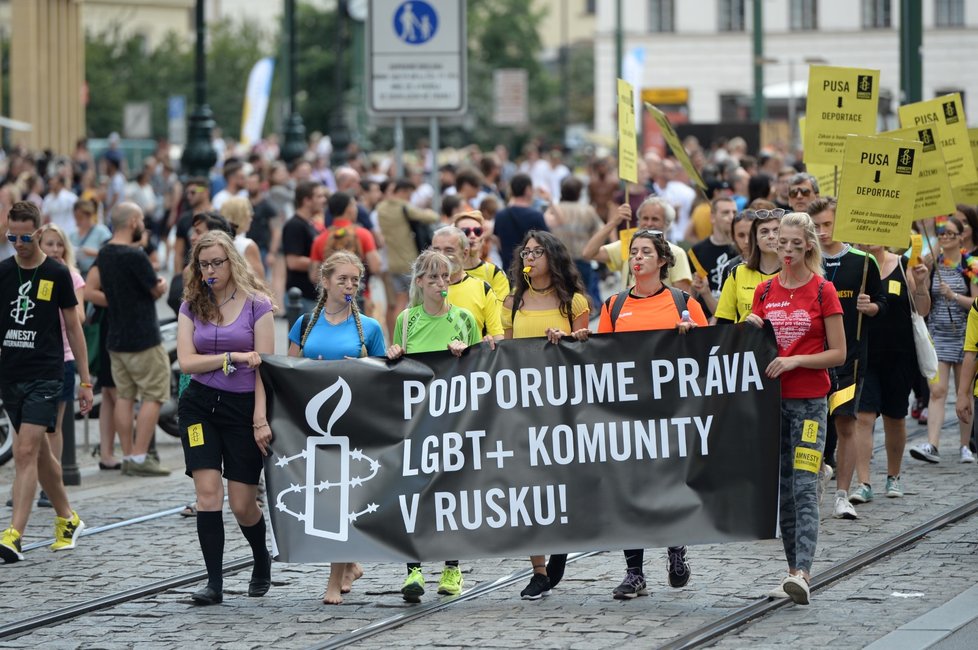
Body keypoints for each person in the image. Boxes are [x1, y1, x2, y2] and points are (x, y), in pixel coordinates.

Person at [588, 229, 707, 600]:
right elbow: (599, 357)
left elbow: (710, 359)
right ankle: (634, 572)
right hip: (627, 413)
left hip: (671, 411)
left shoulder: (684, 303)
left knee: (668, 486)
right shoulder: (614, 305)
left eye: (645, 253)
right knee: (629, 490)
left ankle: (675, 548)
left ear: (662, 261)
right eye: (633, 252)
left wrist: (690, 337)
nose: (637, 258)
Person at [745, 212, 846, 605]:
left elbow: (837, 353)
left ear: (808, 245)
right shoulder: (764, 290)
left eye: (794, 243)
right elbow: (753, 351)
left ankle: (803, 572)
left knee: (804, 485)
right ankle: (791, 572)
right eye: (780, 242)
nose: (786, 250)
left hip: (808, 403)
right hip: (772, 404)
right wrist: (749, 329)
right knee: (783, 489)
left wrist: (795, 361)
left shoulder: (823, 291)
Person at [176, 230, 275, 605]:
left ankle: (260, 557)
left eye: (217, 262)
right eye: (204, 265)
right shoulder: (192, 304)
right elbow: (187, 361)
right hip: (199, 405)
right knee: (207, 495)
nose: (211, 271)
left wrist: (260, 417)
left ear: (232, 262)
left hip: (242, 407)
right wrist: (230, 358)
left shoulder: (257, 305)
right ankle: (214, 583)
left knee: (242, 502)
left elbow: (265, 367)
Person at [288, 251, 386, 605]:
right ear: (325, 281)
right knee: (323, 501)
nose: (349, 286)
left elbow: (384, 373)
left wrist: (362, 364)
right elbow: (287, 371)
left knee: (340, 500)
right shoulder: (305, 324)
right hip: (312, 426)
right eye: (342, 279)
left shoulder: (369, 327)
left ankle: (333, 582)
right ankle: (350, 564)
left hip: (352, 426)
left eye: (355, 280)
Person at [386, 250, 485, 603]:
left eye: (445, 277)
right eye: (433, 278)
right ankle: (413, 569)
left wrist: (465, 353)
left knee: (449, 493)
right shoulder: (407, 320)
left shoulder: (464, 319)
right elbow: (398, 364)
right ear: (420, 283)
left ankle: (451, 567)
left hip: (453, 421)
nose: (441, 283)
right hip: (416, 421)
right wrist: (395, 355)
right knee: (412, 491)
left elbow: (480, 372)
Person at [0, 201, 92, 563]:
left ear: (38, 232)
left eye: (24, 237)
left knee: (24, 451)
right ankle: (67, 518)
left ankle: (13, 534)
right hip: (11, 375)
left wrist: (85, 382)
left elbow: (74, 327)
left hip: (47, 372)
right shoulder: (4, 272)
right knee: (38, 454)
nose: (18, 243)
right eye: (11, 236)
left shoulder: (56, 273)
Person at [501, 231, 589, 600]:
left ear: (553, 257)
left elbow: (588, 347)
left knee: (560, 480)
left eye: (537, 252)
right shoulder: (512, 301)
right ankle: (538, 569)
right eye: (526, 252)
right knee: (527, 484)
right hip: (522, 403)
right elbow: (504, 350)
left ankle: (561, 544)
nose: (530, 258)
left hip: (562, 405)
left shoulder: (575, 302)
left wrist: (568, 339)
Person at [809, 197, 886, 520]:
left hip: (851, 357)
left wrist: (872, 307)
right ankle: (812, 484)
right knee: (812, 427)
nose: (823, 232)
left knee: (845, 422)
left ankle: (843, 493)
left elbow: (881, 301)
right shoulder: (806, 261)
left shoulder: (863, 261)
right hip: (813, 358)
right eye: (817, 227)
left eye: (828, 225)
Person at [94, 202, 171, 476]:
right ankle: (140, 456)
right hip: (143, 337)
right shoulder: (135, 255)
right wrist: (161, 285)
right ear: (132, 222)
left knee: (124, 396)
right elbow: (155, 289)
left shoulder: (104, 253)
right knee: (154, 393)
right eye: (140, 220)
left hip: (115, 337)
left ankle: (127, 455)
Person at [853, 245, 930, 501]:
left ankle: (893, 476)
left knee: (894, 418)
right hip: (865, 354)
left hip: (899, 355)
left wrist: (920, 285)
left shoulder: (903, 264)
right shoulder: (854, 263)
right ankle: (863, 481)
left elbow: (922, 309)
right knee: (863, 417)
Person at [910, 215, 978, 464]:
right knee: (937, 390)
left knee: (965, 391)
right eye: (942, 233)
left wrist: (954, 297)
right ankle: (933, 444)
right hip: (939, 334)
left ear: (962, 236)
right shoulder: (934, 263)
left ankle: (964, 446)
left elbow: (975, 303)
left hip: (964, 336)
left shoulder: (972, 265)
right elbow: (921, 288)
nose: (946, 237)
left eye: (951, 233)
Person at [35, 224, 86, 504]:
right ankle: (34, 480)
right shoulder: (37, 276)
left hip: (63, 358)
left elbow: (78, 318)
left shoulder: (72, 277)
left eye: (58, 244)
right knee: (33, 427)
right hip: (36, 359)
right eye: (48, 244)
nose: (54, 250)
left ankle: (51, 485)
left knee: (53, 427)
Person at [582, 197, 693, 293]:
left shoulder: (676, 253)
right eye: (645, 218)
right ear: (638, 221)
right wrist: (613, 222)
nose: (649, 224)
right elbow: (588, 253)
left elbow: (683, 299)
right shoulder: (627, 246)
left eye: (655, 219)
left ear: (667, 223)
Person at [544, 176, 605, 313]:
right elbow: (601, 231)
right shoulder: (587, 210)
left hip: (558, 259)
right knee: (584, 296)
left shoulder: (554, 210)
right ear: (579, 192)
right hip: (583, 257)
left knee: (562, 296)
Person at [431, 226, 503, 341]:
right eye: (436, 250)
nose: (441, 256)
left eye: (449, 250)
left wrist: (490, 343)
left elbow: (497, 336)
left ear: (465, 254)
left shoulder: (482, 289)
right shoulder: (423, 288)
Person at [715, 208, 783, 323]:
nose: (771, 236)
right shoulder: (737, 273)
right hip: (745, 339)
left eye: (776, 231)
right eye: (764, 231)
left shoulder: (794, 273)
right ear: (755, 239)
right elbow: (724, 323)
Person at [283, 181, 328, 313]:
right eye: (319, 197)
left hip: (311, 295)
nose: (323, 200)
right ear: (307, 200)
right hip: (301, 297)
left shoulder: (311, 223)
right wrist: (328, 264)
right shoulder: (294, 225)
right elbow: (293, 262)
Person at [493, 173, 549, 272]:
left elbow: (498, 242)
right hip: (531, 269)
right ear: (527, 190)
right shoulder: (536, 215)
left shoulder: (500, 215)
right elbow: (547, 243)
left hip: (508, 268)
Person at [454, 210, 510, 302]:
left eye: (477, 231)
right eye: (465, 231)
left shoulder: (495, 273)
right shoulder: (447, 274)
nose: (472, 235)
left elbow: (501, 310)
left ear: (482, 238)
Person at [220, 196, 265, 279]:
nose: (251, 219)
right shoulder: (248, 245)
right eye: (248, 215)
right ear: (241, 217)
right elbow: (260, 281)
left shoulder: (217, 240)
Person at [69, 199, 111, 278]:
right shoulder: (73, 235)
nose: (77, 221)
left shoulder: (102, 231)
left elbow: (110, 254)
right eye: (76, 217)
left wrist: (91, 253)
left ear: (89, 216)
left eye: (80, 218)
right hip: (78, 274)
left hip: (96, 274)